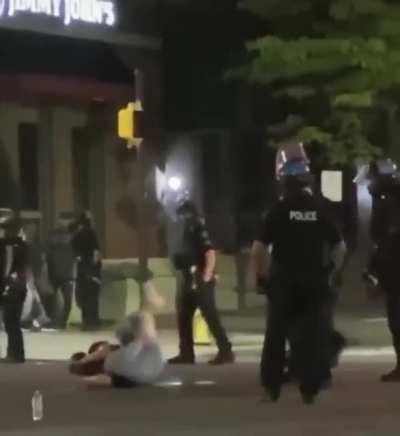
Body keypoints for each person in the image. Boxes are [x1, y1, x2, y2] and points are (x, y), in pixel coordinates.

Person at [252, 142, 346, 404]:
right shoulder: (321, 208)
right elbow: (340, 247)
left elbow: (258, 250)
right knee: (313, 335)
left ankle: (271, 389)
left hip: (283, 282)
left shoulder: (277, 210)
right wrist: (332, 272)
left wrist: (260, 278)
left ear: (282, 176)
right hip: (316, 283)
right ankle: (310, 389)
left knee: (276, 336)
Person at [168, 198, 235, 365]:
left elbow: (209, 252)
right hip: (189, 277)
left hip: (199, 277)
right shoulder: (188, 229)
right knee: (184, 315)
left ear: (188, 213)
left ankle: (225, 351)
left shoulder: (198, 227)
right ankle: (186, 353)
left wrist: (206, 274)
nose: (181, 218)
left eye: (183, 214)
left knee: (210, 315)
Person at [69, 281, 165, 388]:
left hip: (143, 373)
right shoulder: (114, 358)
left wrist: (82, 365)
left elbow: (97, 379)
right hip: (147, 368)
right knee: (142, 328)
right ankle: (149, 307)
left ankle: (149, 308)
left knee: (142, 334)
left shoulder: (112, 364)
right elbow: (99, 356)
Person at [363, 159, 400, 382]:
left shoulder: (387, 201)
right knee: (395, 318)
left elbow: (384, 238)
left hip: (393, 265)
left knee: (396, 318)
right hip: (390, 264)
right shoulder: (384, 199)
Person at [0, 210, 29, 363]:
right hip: (17, 287)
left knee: (11, 321)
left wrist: (5, 284)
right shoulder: (20, 244)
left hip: (12, 287)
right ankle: (15, 353)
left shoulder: (10, 245)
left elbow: (7, 267)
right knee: (12, 322)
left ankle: (16, 354)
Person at [45, 212, 76, 329]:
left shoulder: (74, 235)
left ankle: (61, 323)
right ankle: (54, 321)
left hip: (66, 273)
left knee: (66, 300)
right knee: (52, 299)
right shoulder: (53, 234)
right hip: (55, 272)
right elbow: (47, 253)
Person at [72, 212, 102, 331]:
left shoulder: (76, 235)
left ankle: (85, 321)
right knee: (93, 295)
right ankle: (93, 320)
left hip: (81, 268)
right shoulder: (91, 233)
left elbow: (76, 255)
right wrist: (94, 267)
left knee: (83, 295)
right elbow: (96, 252)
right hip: (91, 268)